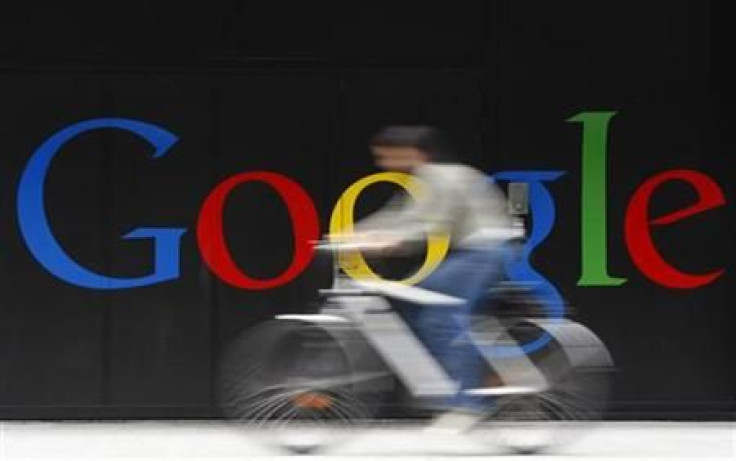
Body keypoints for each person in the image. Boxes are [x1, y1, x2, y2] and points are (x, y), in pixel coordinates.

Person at [344, 125, 516, 432]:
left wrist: (389, 241)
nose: (382, 164)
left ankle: (468, 404)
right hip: (473, 252)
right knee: (413, 300)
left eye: (385, 156)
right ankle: (475, 376)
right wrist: (352, 234)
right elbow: (399, 216)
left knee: (440, 317)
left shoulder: (440, 177)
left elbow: (430, 224)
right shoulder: (428, 178)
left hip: (485, 251)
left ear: (410, 152)